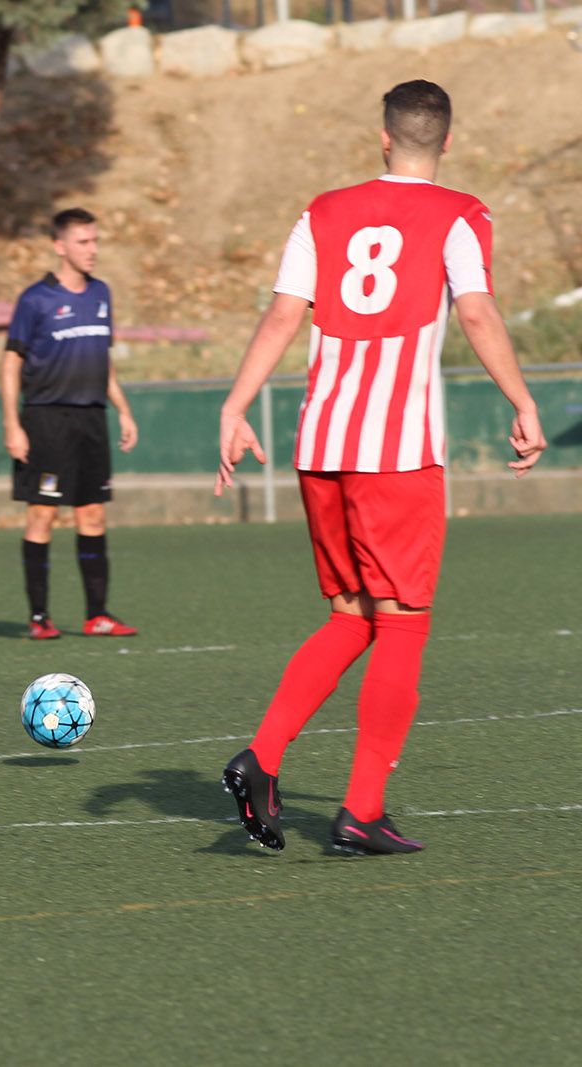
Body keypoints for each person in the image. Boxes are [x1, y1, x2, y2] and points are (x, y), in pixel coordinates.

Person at [216, 80, 546, 855]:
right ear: (448, 142)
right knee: (402, 626)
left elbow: (280, 315)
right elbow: (475, 310)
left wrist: (235, 407)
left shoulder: (322, 211)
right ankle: (361, 808)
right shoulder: (461, 214)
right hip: (396, 454)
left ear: (383, 137)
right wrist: (523, 401)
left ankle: (261, 760)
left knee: (351, 616)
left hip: (321, 444)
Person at [0, 207, 140, 641]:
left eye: (96, 241)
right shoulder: (35, 299)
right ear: (60, 247)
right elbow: (10, 364)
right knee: (42, 515)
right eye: (83, 242)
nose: (93, 250)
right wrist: (12, 423)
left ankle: (97, 614)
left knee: (93, 514)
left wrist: (123, 408)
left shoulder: (101, 294)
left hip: (91, 419)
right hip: (46, 420)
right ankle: (39, 616)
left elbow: (104, 361)